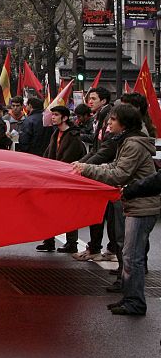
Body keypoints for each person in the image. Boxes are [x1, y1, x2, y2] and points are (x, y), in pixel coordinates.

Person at [73, 104, 159, 316]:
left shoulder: (132, 145)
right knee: (130, 255)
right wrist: (88, 168)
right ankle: (130, 298)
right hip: (136, 204)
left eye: (112, 120)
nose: (108, 124)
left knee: (132, 257)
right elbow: (113, 167)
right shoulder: (127, 141)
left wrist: (87, 169)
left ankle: (135, 302)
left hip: (141, 206)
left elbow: (118, 174)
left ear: (124, 124)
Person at [73, 86, 116, 262]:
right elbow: (97, 148)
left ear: (104, 101)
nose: (89, 101)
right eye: (89, 98)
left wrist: (85, 166)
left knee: (107, 214)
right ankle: (97, 247)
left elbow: (106, 149)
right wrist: (81, 163)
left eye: (94, 98)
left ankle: (104, 249)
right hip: (99, 168)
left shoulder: (108, 117)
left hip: (106, 171)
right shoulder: (99, 117)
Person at [35, 105, 86, 253]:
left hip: (66, 180)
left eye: (56, 115)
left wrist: (55, 170)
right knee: (48, 210)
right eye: (53, 115)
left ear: (64, 118)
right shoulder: (55, 134)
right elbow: (48, 154)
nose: (53, 117)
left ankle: (72, 243)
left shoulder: (73, 137)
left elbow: (68, 159)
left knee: (68, 212)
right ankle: (49, 240)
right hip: (52, 178)